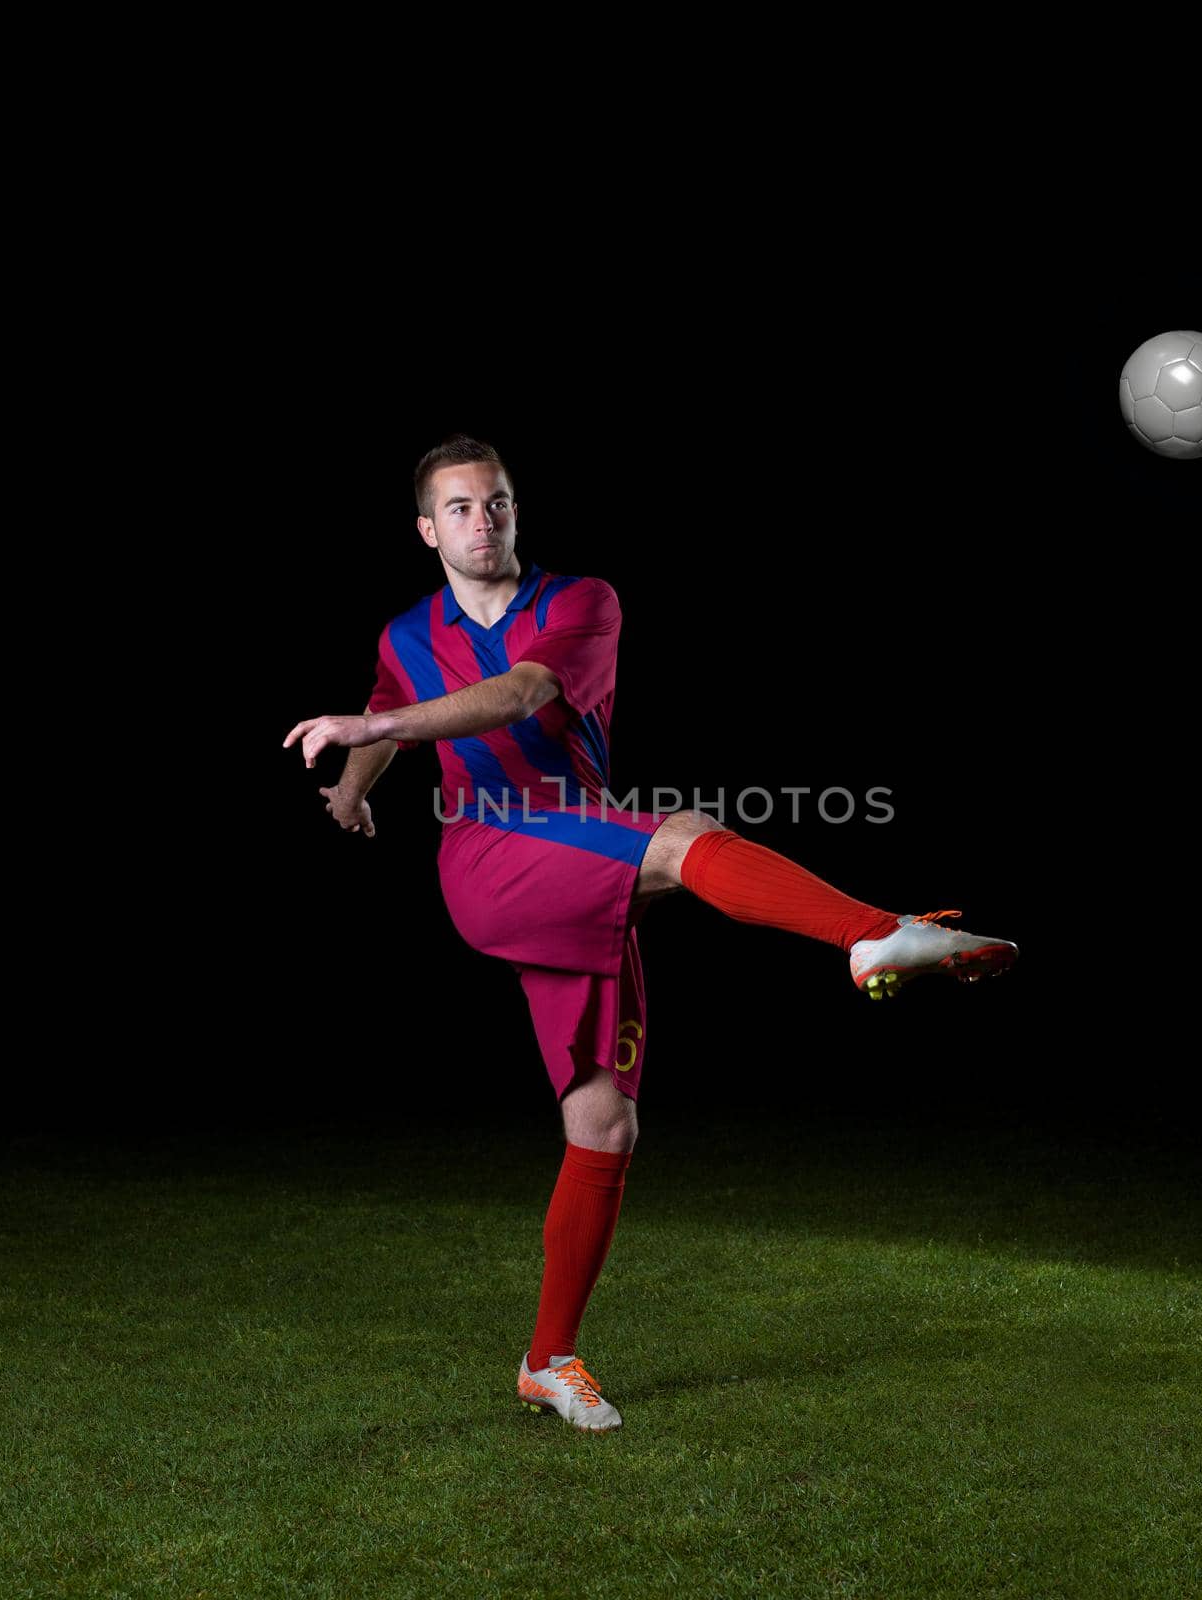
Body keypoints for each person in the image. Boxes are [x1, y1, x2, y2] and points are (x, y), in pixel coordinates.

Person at [283, 434, 1017, 1433]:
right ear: (427, 529)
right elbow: (383, 708)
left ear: (514, 510)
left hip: (580, 856)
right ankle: (874, 934)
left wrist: (370, 739)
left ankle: (546, 1360)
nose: (483, 520)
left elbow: (523, 694)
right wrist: (350, 792)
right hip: (490, 859)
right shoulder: (404, 633)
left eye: (497, 502)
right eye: (459, 508)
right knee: (684, 838)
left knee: (605, 1125)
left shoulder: (581, 602)